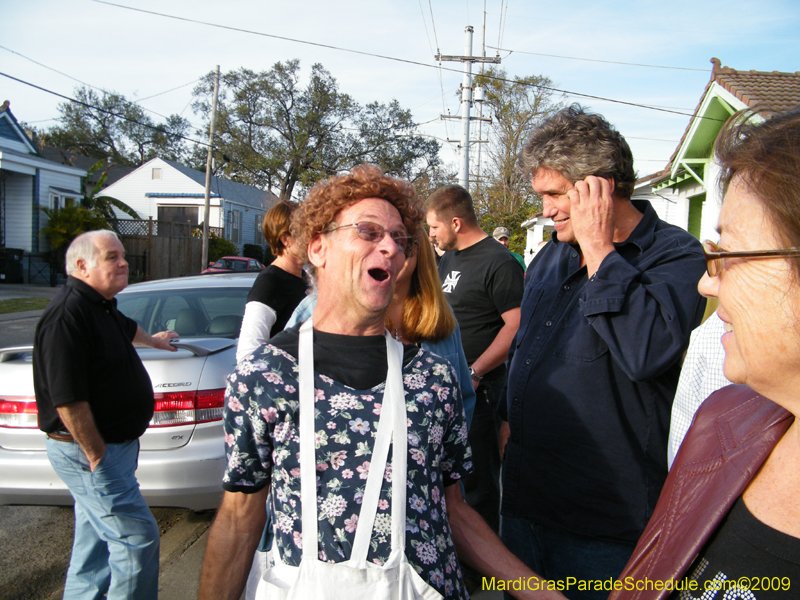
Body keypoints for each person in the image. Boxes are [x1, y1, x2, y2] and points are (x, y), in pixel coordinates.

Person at [199, 164, 565, 600]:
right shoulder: (265, 378)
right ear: (318, 247)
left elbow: (454, 512)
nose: (390, 247)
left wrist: (544, 594)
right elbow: (240, 518)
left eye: (400, 238)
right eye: (369, 232)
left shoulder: (433, 380)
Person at [502, 104, 707, 599]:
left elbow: (646, 352)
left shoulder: (675, 256)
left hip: (602, 524)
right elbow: (529, 347)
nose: (546, 210)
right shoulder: (551, 254)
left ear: (600, 187)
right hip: (525, 506)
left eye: (555, 195)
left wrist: (600, 251)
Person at [610, 109, 800, 599]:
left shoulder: (667, 253)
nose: (706, 281)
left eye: (726, 253)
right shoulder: (728, 421)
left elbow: (643, 353)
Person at [33, 230, 178, 600]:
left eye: (122, 255)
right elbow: (68, 401)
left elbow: (127, 329)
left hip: (111, 450)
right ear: (82, 266)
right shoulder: (67, 316)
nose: (124, 262)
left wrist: (155, 342)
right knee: (136, 540)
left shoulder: (100, 305)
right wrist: (97, 456)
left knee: (95, 542)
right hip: (91, 454)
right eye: (112, 257)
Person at [426, 185, 524, 534]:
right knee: (446, 481)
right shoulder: (446, 259)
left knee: (477, 483)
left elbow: (516, 326)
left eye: (434, 228)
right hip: (441, 391)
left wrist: (475, 372)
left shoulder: (499, 261)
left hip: (480, 391)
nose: (431, 235)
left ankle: (480, 572)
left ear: (455, 222)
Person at [236, 200, 308, 363]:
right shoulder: (270, 283)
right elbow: (248, 351)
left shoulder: (305, 277)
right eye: (306, 232)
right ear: (286, 239)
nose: (313, 238)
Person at [666, 312, 730, 469]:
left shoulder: (717, 331)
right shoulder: (713, 333)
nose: (705, 287)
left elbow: (641, 361)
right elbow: (684, 465)